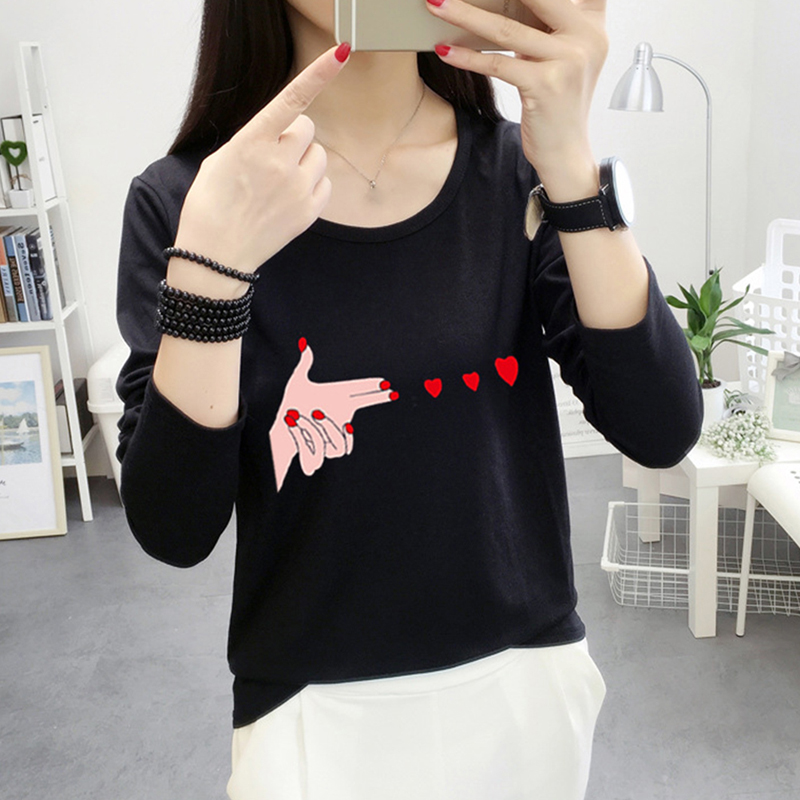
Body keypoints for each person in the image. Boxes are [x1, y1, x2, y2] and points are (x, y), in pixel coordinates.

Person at [115, 0, 702, 797]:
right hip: (310, 711)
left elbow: (660, 427)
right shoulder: (194, 200)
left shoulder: (517, 173)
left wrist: (570, 163)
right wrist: (212, 275)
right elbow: (174, 528)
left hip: (524, 686)